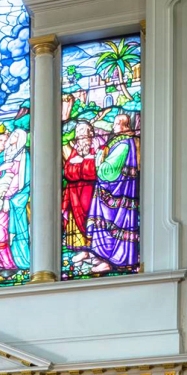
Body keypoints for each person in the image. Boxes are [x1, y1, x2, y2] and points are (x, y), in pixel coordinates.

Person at [86, 112, 140, 273]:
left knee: (112, 224)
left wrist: (99, 161)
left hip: (116, 193)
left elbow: (108, 171)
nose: (113, 126)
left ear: (124, 126)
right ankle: (108, 258)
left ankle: (112, 259)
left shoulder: (123, 144)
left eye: (116, 123)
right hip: (121, 191)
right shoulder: (125, 141)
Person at [0, 129, 29, 275]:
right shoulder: (5, 154)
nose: (12, 137)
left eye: (16, 135)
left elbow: (22, 180)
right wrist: (0, 168)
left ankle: (9, 262)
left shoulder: (24, 155)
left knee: (3, 231)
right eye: (13, 134)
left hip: (11, 198)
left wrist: (7, 198)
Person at [62, 121, 98, 253]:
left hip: (90, 190)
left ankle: (91, 247)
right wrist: (81, 166)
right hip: (73, 193)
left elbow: (93, 172)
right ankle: (79, 247)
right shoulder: (75, 151)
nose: (79, 135)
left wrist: (82, 165)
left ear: (91, 133)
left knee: (90, 216)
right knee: (74, 218)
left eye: (83, 132)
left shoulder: (97, 148)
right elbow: (68, 172)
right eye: (78, 132)